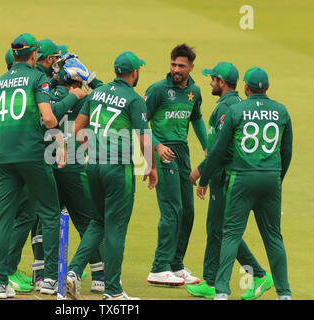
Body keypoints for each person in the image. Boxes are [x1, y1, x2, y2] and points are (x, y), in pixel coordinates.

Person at [67, 51, 158, 300]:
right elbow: (143, 138)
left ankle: (73, 272)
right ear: (134, 72)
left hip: (93, 165)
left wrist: (91, 151)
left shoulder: (97, 92)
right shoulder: (134, 99)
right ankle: (113, 290)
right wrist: (151, 167)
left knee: (98, 222)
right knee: (116, 228)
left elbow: (77, 128)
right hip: (118, 169)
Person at [197, 67, 293, 300]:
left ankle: (221, 292)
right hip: (271, 177)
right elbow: (287, 151)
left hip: (241, 178)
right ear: (267, 87)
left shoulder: (237, 110)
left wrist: (205, 178)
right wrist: (277, 179)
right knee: (273, 237)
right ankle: (284, 294)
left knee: (230, 234)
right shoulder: (281, 111)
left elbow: (218, 150)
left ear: (246, 88)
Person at [0, 33, 66, 299]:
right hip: (32, 155)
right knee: (50, 214)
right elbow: (49, 117)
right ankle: (50, 279)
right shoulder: (37, 78)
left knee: (2, 218)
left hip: (4, 158)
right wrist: (53, 128)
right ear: (33, 56)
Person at [145, 43, 207, 285]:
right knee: (172, 210)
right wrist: (158, 146)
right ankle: (159, 267)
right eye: (173, 64)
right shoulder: (159, 89)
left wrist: (206, 145)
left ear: (191, 67)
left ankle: (176, 265)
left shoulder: (195, 91)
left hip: (183, 151)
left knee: (188, 211)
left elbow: (197, 118)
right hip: (164, 152)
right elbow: (140, 123)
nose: (176, 69)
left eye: (181, 66)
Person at [48, 61, 106, 293]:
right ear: (76, 81)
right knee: (87, 221)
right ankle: (100, 275)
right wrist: (91, 80)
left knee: (47, 220)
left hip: (48, 165)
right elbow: (108, 94)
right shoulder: (86, 98)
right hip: (75, 166)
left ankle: (46, 277)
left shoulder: (49, 95)